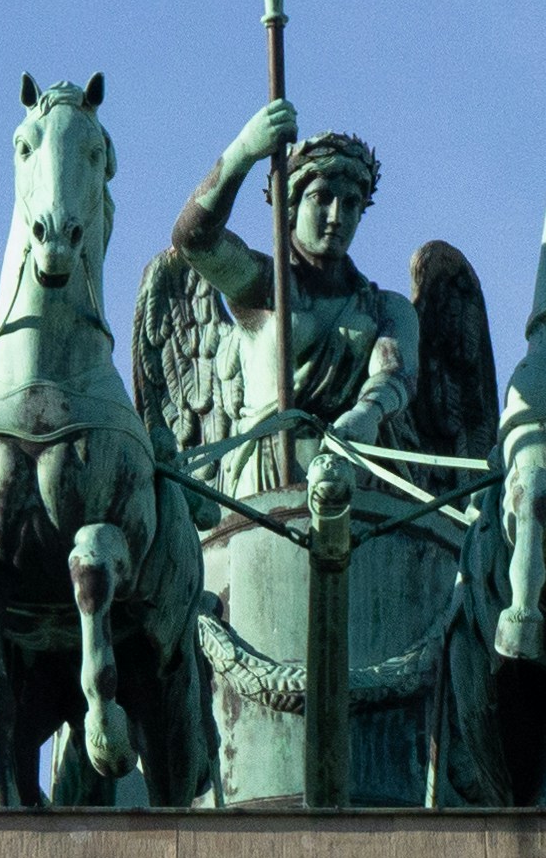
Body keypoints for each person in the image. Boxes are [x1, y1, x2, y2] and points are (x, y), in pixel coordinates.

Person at [133, 100, 494, 802]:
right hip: (258, 484)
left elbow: (397, 374)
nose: (337, 215)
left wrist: (360, 422)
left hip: (363, 478)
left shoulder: (387, 306)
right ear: (290, 201)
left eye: (352, 203)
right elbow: (193, 235)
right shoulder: (258, 288)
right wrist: (242, 151)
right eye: (322, 197)